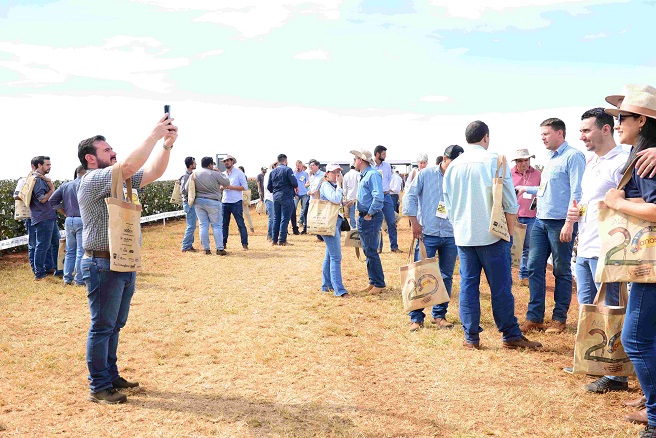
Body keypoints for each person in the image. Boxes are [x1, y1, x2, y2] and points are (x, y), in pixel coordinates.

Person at [77, 113, 178, 404]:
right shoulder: (95, 179)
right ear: (91, 159)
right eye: (107, 150)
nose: (114, 153)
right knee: (102, 326)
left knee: (115, 324)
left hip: (120, 261)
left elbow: (154, 172)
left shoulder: (119, 180)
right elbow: (132, 165)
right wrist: (155, 135)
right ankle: (99, 386)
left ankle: (110, 374)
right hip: (102, 262)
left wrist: (167, 146)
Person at [443, 120, 541, 350]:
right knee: (500, 287)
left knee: (468, 286)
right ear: (486, 137)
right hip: (493, 235)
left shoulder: (453, 166)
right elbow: (509, 202)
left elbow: (447, 204)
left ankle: (471, 337)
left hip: (464, 235)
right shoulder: (496, 161)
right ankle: (510, 335)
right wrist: (508, 233)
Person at [561, 107, 629, 392]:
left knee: (611, 308)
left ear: (605, 129)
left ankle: (616, 375)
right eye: (581, 131)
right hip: (586, 246)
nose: (582, 136)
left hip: (608, 250)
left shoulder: (624, 160)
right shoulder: (591, 161)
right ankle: (593, 360)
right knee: (589, 308)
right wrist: (572, 220)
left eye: (587, 130)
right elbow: (585, 201)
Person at [602, 85, 656, 437]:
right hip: (644, 258)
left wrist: (618, 204)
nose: (617, 123)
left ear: (642, 120)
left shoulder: (646, 158)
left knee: (635, 338)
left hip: (649, 261)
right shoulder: (644, 154)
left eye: (623, 117)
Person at [516, 118, 586, 334]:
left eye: (546, 134)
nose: (543, 138)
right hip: (541, 220)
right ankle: (534, 317)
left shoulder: (573, 156)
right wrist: (526, 189)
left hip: (559, 223)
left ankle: (559, 319)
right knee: (534, 267)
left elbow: (577, 193)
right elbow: (547, 189)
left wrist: (569, 223)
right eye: (542, 134)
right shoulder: (550, 158)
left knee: (561, 270)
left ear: (559, 134)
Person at [403, 145, 462, 332]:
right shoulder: (425, 175)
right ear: (444, 159)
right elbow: (410, 197)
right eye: (453, 162)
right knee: (420, 274)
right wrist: (414, 222)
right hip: (427, 233)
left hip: (451, 234)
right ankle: (416, 317)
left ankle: (440, 315)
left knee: (446, 276)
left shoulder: (460, 178)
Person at [351, 149, 385, 294]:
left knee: (370, 250)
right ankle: (373, 281)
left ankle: (379, 283)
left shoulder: (372, 175)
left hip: (370, 216)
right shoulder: (366, 175)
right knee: (368, 249)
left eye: (355, 159)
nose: (353, 162)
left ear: (360, 160)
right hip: (366, 216)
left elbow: (378, 197)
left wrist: (370, 213)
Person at [50, 165, 86, 286]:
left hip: (69, 220)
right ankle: (79, 280)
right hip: (82, 220)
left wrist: (64, 212)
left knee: (70, 251)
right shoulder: (86, 184)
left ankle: (67, 278)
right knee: (81, 251)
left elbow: (52, 200)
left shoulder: (66, 185)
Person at [510, 149, 541, 286]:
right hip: (512, 216)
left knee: (528, 247)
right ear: (516, 162)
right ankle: (507, 275)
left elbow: (542, 191)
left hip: (531, 216)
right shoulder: (509, 174)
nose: (524, 163)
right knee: (510, 246)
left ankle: (524, 275)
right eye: (520, 160)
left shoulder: (537, 174)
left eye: (526, 160)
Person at [319, 163, 349, 297]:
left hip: (333, 222)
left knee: (330, 255)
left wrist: (345, 203)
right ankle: (339, 290)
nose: (337, 175)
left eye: (339, 172)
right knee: (336, 257)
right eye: (334, 172)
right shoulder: (327, 185)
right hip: (329, 223)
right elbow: (335, 199)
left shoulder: (331, 185)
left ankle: (326, 285)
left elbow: (336, 201)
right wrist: (340, 185)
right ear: (327, 173)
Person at [191, 157, 231, 255]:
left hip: (199, 202)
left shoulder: (194, 174)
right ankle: (219, 248)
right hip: (213, 201)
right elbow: (227, 182)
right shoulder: (214, 173)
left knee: (203, 225)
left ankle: (206, 249)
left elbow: (188, 188)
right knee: (216, 225)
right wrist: (219, 172)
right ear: (210, 165)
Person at [30, 156, 61, 280]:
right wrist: (52, 189)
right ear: (39, 165)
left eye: (50, 164)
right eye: (47, 165)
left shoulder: (43, 179)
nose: (49, 167)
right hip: (43, 217)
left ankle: (54, 268)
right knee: (42, 245)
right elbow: (42, 199)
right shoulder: (37, 180)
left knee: (55, 243)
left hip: (49, 216)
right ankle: (39, 273)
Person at [372, 145, 401, 253]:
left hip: (386, 196)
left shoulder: (387, 166)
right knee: (377, 223)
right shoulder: (371, 167)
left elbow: (388, 179)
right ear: (377, 154)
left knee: (391, 221)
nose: (385, 156)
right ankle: (378, 247)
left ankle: (394, 247)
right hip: (376, 198)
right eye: (383, 154)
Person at [267, 154, 298, 246]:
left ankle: (274, 240)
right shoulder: (288, 170)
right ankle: (282, 240)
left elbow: (269, 186)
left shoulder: (272, 172)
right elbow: (294, 182)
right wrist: (294, 187)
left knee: (276, 218)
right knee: (285, 219)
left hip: (276, 197)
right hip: (286, 196)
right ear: (285, 161)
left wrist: (276, 191)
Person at [221, 155, 249, 250]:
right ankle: (223, 244)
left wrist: (231, 187)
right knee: (224, 224)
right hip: (225, 202)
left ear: (232, 161)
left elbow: (244, 187)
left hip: (236, 202)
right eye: (225, 161)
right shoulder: (223, 174)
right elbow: (220, 187)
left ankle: (244, 244)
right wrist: (222, 188)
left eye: (228, 160)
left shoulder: (239, 173)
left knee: (240, 223)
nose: (226, 162)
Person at [14, 162, 37, 273]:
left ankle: (46, 266)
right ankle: (35, 268)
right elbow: (16, 196)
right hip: (30, 216)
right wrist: (29, 196)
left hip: (41, 215)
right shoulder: (23, 181)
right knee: (33, 242)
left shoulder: (46, 178)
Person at [180, 156, 198, 252]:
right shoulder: (186, 176)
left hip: (189, 202)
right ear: (191, 165)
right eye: (195, 163)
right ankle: (186, 246)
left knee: (192, 225)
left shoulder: (190, 174)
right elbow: (183, 190)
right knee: (191, 225)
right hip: (188, 202)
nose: (196, 164)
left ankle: (189, 245)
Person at [303, 159, 325, 235]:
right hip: (312, 198)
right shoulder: (311, 176)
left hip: (320, 198)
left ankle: (320, 233)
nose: (310, 167)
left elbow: (324, 185)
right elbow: (308, 185)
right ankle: (309, 229)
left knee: (319, 215)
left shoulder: (323, 175)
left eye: (312, 165)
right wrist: (308, 191)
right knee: (308, 213)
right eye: (310, 165)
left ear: (317, 166)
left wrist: (318, 191)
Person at [292, 160, 310, 235]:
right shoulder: (293, 173)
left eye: (300, 166)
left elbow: (308, 182)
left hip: (304, 194)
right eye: (297, 166)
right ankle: (294, 226)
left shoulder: (305, 174)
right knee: (293, 209)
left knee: (304, 210)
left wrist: (307, 186)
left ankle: (304, 227)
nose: (298, 167)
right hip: (296, 194)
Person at [342, 161, 360, 229]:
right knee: (357, 212)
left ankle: (353, 227)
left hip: (349, 197)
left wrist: (345, 197)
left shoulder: (346, 175)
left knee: (352, 213)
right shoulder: (358, 174)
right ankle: (358, 226)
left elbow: (344, 187)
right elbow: (360, 185)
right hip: (357, 197)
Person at [238, 165, 255, 233]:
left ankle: (250, 227)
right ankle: (249, 227)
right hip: (241, 196)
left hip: (243, 195)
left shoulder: (242, 176)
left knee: (245, 212)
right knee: (243, 213)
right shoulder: (242, 176)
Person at [263, 162, 277, 241]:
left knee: (274, 218)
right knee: (272, 217)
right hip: (270, 198)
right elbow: (267, 187)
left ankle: (273, 235)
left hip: (274, 198)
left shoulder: (272, 173)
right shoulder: (269, 174)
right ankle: (270, 235)